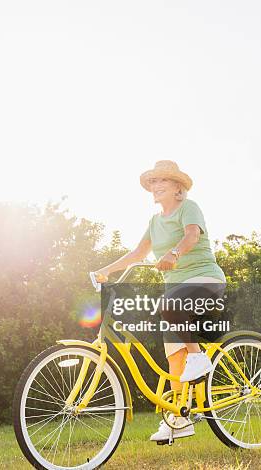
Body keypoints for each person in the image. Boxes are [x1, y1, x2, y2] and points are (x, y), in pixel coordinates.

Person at [93, 160, 226, 442]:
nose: (155, 186)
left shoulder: (189, 208)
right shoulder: (155, 222)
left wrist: (174, 254)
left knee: (170, 308)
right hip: (176, 290)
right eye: (152, 182)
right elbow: (137, 254)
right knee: (174, 360)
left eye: (162, 181)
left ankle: (200, 357)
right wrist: (107, 270)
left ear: (178, 187)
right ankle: (180, 418)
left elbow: (192, 235)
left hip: (205, 279)